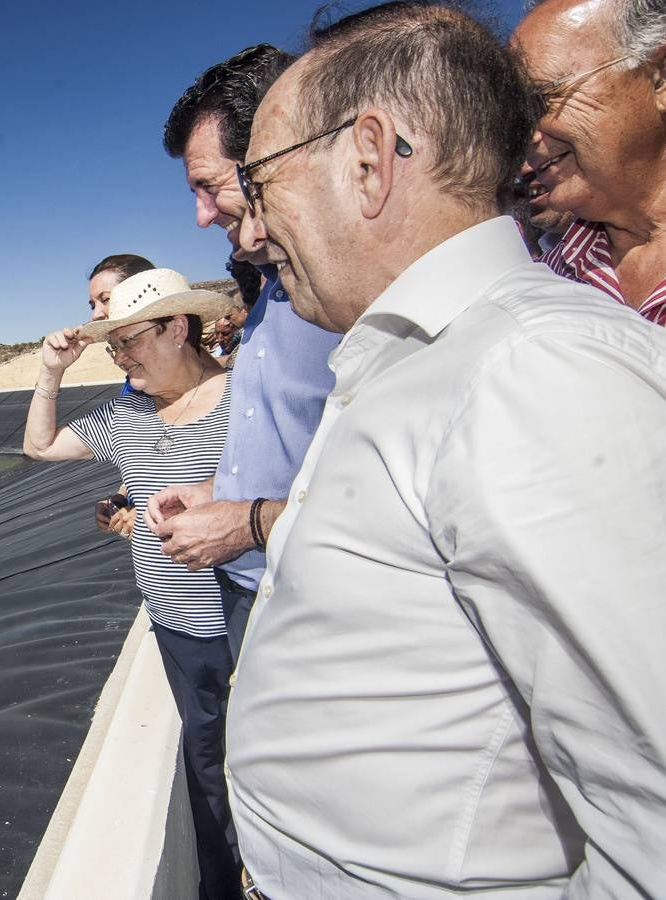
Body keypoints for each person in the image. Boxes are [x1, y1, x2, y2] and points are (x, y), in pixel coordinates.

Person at [228, 3, 666, 896]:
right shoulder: (432, 361)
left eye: (259, 183)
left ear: (365, 159)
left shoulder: (532, 370)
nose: (248, 230)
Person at [23, 268, 244, 900]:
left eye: (129, 342)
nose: (120, 357)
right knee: (207, 766)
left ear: (178, 328)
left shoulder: (243, 399)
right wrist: (51, 372)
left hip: (253, 620)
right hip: (180, 630)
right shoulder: (124, 416)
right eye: (113, 345)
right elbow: (39, 447)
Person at [146, 47, 341, 660]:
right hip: (260, 583)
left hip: (319, 604)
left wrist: (247, 522)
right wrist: (219, 492)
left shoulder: (346, 298)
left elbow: (402, 506)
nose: (202, 217)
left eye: (209, 186)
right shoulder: (276, 295)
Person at [514, 0, 666, 325]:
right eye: (515, 116)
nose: (524, 137)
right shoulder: (545, 291)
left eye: (542, 97)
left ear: (660, 77)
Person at [86, 253, 157, 538]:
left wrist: (149, 510)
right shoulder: (134, 383)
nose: (96, 313)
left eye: (105, 299)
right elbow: (149, 460)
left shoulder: (210, 384)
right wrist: (122, 497)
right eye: (93, 304)